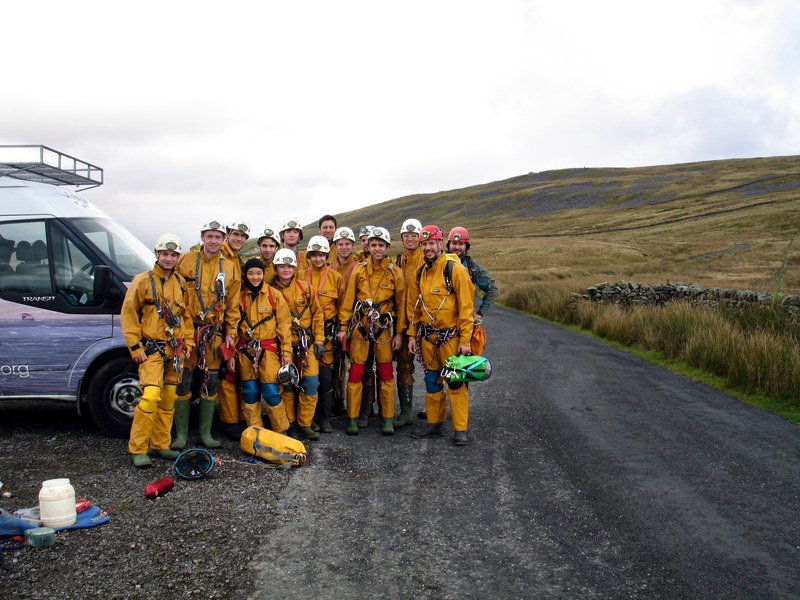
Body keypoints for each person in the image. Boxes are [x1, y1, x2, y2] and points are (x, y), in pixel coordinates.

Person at [121, 234, 193, 467]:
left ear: (178, 257)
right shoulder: (141, 281)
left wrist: (188, 344)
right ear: (156, 254)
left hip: (175, 350)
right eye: (165, 254)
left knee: (169, 397)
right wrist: (135, 347)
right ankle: (138, 448)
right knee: (151, 396)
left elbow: (186, 317)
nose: (169, 258)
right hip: (151, 349)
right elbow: (129, 314)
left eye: (173, 255)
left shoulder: (181, 283)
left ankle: (161, 444)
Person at [171, 219, 241, 450]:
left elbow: (233, 306)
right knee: (184, 380)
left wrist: (231, 334)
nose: (213, 241)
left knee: (211, 381)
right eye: (209, 236)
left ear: (223, 240)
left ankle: (205, 434)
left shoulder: (230, 267)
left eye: (218, 237)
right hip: (188, 332)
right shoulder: (186, 260)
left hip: (214, 333)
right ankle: (181, 435)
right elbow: (174, 293)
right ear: (202, 237)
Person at [407, 225, 475, 446]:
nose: (427, 248)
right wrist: (411, 336)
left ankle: (460, 429)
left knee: (456, 383)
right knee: (431, 381)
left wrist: (465, 340)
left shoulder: (454, 269)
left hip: (451, 339)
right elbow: (414, 308)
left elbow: (466, 307)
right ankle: (434, 423)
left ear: (440, 243)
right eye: (424, 244)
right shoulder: (420, 272)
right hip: (428, 339)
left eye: (431, 243)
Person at [337, 227, 406, 436]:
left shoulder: (396, 272)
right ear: (368, 246)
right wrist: (343, 328)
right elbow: (349, 300)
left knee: (386, 372)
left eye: (380, 245)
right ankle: (353, 418)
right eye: (374, 245)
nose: (377, 249)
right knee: (356, 372)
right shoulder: (359, 270)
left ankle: (387, 419)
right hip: (361, 326)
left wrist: (399, 333)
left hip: (384, 329)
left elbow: (401, 305)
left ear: (387, 247)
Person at [233, 258, 294, 434]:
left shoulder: (274, 296)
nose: (255, 277)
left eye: (259, 273)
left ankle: (281, 431)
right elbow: (232, 324)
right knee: (250, 391)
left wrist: (286, 352)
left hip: (269, 351)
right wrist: (230, 354)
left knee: (271, 391)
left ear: (263, 274)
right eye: (251, 273)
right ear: (245, 275)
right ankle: (255, 432)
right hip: (245, 352)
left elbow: (284, 325)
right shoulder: (239, 298)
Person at [271, 248, 324, 440]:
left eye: (289, 266)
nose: (286, 270)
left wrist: (319, 340)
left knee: (311, 382)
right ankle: (290, 422)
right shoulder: (270, 291)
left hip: (305, 342)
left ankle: (305, 424)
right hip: (281, 345)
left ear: (295, 268)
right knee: (285, 384)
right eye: (282, 266)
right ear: (276, 268)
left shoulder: (305, 288)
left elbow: (318, 314)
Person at [302, 235, 345, 433]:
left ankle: (325, 418)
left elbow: (342, 305)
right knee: (307, 376)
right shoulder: (300, 276)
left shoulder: (336, 277)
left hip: (328, 334)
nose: (318, 258)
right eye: (314, 255)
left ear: (327, 256)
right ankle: (308, 418)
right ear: (309, 256)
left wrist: (342, 328)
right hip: (305, 334)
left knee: (326, 378)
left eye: (321, 255)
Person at [218, 220, 251, 441]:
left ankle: (237, 418)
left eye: (242, 236)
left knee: (235, 370)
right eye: (235, 234)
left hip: (235, 319)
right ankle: (228, 422)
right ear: (228, 235)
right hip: (220, 321)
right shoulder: (220, 257)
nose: (238, 238)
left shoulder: (237, 260)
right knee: (226, 374)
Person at [393, 218, 424, 427]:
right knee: (404, 367)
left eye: (414, 235)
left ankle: (438, 411)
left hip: (426, 322)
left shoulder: (428, 259)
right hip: (404, 322)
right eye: (406, 236)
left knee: (435, 368)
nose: (410, 239)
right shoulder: (399, 261)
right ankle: (405, 412)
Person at [446, 227, 499, 321]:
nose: (457, 247)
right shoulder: (437, 264)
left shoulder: (473, 268)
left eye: (461, 244)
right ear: (448, 245)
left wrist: (480, 313)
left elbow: (493, 289)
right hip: (438, 322)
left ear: (466, 247)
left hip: (464, 321)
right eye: (454, 243)